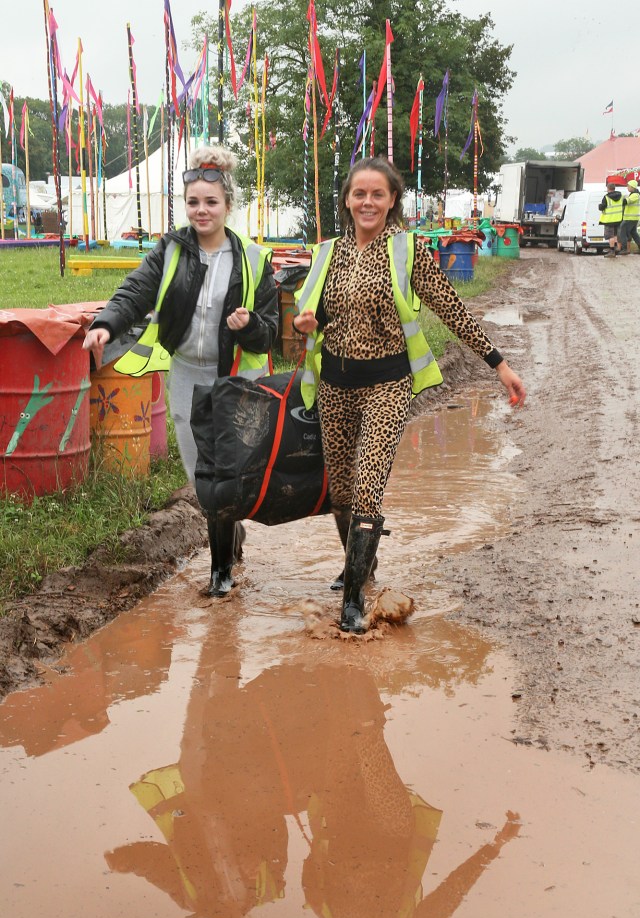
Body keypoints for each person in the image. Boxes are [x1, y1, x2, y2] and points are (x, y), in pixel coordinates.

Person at [293, 156, 526, 634]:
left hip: (387, 384)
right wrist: (304, 323)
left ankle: (355, 602)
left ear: (393, 199)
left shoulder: (409, 250)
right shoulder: (326, 252)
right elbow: (306, 317)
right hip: (335, 384)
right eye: (360, 193)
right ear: (347, 200)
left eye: (378, 194)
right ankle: (361, 568)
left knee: (366, 487)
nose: (368, 202)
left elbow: (452, 309)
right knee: (339, 492)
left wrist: (499, 365)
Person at [82, 145, 279, 597]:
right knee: (199, 476)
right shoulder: (170, 249)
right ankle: (230, 539)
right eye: (193, 202)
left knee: (227, 475)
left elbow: (269, 334)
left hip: (236, 381)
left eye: (211, 202)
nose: (201, 210)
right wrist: (105, 325)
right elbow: (134, 292)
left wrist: (249, 326)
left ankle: (220, 575)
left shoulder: (253, 258)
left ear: (229, 205)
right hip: (187, 375)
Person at [598, 180, 624, 257]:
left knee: (610, 236)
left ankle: (612, 251)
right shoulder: (621, 196)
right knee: (615, 235)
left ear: (608, 188)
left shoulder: (606, 197)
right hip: (618, 219)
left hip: (609, 220)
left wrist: (600, 206)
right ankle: (616, 249)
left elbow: (602, 207)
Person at [619, 179, 640, 255]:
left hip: (630, 218)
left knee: (622, 231)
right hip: (632, 218)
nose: (627, 187)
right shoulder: (633, 194)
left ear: (632, 187)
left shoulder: (635, 195)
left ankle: (624, 249)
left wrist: (619, 199)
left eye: (628, 186)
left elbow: (626, 201)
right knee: (634, 233)